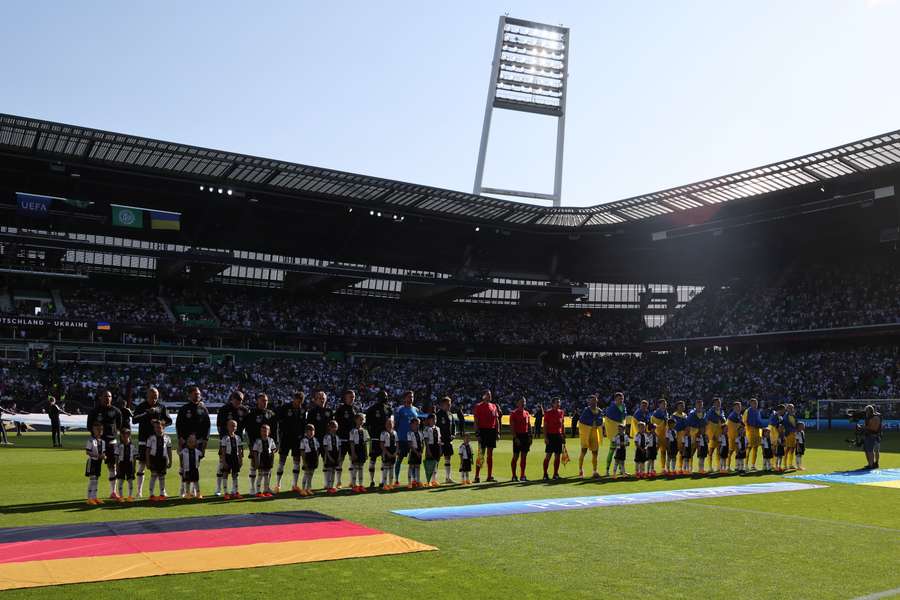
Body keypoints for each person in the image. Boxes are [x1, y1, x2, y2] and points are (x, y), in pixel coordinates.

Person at [132, 387, 172, 498]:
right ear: (147, 396)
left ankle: (162, 491)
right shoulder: (141, 406)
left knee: (159, 468)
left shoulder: (161, 407)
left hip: (158, 442)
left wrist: (160, 423)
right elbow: (134, 420)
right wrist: (146, 413)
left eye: (156, 397)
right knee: (142, 465)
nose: (154, 399)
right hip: (144, 440)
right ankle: (139, 491)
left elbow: (169, 421)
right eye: (152, 397)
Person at [87, 390, 123, 499]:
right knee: (95, 470)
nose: (107, 398)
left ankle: (113, 492)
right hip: (97, 444)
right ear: (100, 397)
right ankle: (92, 495)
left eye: (109, 396)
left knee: (112, 467)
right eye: (105, 396)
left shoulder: (116, 411)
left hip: (111, 443)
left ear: (111, 398)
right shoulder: (94, 411)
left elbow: (119, 426)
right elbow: (89, 427)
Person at [175, 386, 210, 497]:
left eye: (199, 394)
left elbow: (207, 426)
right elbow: (178, 425)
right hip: (186, 441)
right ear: (190, 395)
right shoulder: (184, 409)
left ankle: (195, 490)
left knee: (195, 466)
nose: (198, 395)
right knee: (184, 466)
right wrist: (180, 439)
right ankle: (183, 488)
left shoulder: (203, 408)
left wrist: (205, 440)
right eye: (195, 394)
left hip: (199, 442)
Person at [215, 391, 247, 496]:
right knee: (222, 464)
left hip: (238, 441)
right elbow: (219, 426)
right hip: (226, 441)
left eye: (241, 400)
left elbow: (246, 426)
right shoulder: (224, 409)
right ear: (232, 398)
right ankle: (218, 489)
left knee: (236, 466)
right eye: (237, 399)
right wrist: (224, 439)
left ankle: (234, 490)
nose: (239, 402)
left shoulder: (244, 410)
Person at [245, 393, 277, 496]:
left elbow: (275, 430)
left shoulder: (271, 414)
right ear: (257, 401)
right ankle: (252, 488)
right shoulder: (252, 414)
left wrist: (276, 443)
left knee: (268, 466)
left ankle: (266, 488)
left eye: (266, 400)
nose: (265, 402)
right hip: (256, 445)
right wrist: (250, 444)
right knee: (254, 466)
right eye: (262, 400)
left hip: (268, 444)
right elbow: (248, 431)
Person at [275, 391, 306, 494]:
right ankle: (278, 484)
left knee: (297, 461)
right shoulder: (285, 407)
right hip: (286, 438)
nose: (299, 404)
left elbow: (303, 424)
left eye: (301, 402)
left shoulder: (302, 409)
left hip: (297, 439)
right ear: (294, 399)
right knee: (282, 461)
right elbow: (278, 421)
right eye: (297, 401)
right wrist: (280, 436)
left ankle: (294, 485)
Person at [393, 391, 425, 483]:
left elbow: (419, 423)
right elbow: (396, 424)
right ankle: (396, 479)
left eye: (412, 397)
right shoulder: (400, 409)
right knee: (399, 459)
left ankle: (414, 480)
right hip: (403, 439)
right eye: (409, 396)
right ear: (404, 398)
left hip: (414, 440)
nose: (411, 398)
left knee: (414, 461)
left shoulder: (416, 410)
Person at [472, 390, 500, 483]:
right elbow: (476, 421)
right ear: (483, 396)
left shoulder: (494, 406)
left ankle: (489, 476)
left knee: (490, 455)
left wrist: (498, 432)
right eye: (488, 394)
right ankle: (477, 476)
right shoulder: (478, 406)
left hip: (491, 432)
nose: (490, 396)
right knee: (481, 455)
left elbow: (496, 420)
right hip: (482, 431)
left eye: (490, 394)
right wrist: (477, 433)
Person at [366, 391, 392, 488]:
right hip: (375, 438)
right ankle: (372, 481)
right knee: (372, 460)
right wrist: (372, 435)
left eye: (386, 396)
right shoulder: (372, 409)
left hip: (385, 438)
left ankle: (382, 481)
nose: (385, 398)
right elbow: (367, 424)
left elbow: (390, 423)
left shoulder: (389, 409)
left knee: (384, 460)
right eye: (383, 396)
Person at [334, 389, 358, 490]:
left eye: (353, 397)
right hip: (342, 438)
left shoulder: (355, 408)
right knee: (340, 460)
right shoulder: (340, 409)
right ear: (345, 397)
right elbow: (335, 424)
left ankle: (352, 482)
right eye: (350, 397)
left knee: (353, 460)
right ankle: (338, 482)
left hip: (352, 439)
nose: (352, 398)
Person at [577, 395, 603, 479]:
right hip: (586, 432)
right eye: (592, 401)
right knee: (583, 451)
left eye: (595, 401)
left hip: (594, 432)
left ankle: (595, 471)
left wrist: (595, 422)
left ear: (597, 401)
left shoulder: (599, 411)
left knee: (595, 452)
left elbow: (600, 420)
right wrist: (593, 422)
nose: (593, 402)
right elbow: (582, 420)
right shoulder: (586, 410)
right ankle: (580, 470)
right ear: (589, 402)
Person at [146, 419, 172, 501]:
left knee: (162, 476)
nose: (158, 429)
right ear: (154, 428)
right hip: (154, 458)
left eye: (159, 427)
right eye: (156, 427)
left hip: (163, 459)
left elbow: (169, 450)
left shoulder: (167, 438)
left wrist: (170, 461)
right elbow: (147, 451)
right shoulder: (151, 438)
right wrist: (148, 461)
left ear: (163, 427)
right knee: (153, 476)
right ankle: (151, 494)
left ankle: (162, 493)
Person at [603, 392, 628, 477]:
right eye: (619, 399)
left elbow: (623, 417)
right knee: (612, 451)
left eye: (622, 399)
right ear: (615, 399)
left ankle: (621, 470)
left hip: (621, 433)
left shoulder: (623, 406)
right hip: (614, 433)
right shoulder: (611, 408)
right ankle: (607, 470)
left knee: (621, 452)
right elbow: (608, 420)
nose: (621, 400)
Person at [509, 397, 532, 482]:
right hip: (518, 436)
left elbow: (529, 425)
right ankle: (514, 475)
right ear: (517, 403)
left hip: (525, 436)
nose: (523, 403)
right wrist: (515, 438)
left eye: (524, 401)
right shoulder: (513, 413)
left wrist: (530, 436)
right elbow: (512, 427)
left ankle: (522, 475)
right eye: (522, 401)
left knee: (524, 457)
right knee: (515, 456)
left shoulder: (526, 413)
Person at [542, 397, 565, 481]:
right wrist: (545, 437)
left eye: (559, 402)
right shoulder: (548, 413)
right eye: (557, 402)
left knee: (558, 456)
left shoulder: (561, 412)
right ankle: (545, 474)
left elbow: (562, 424)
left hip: (558, 436)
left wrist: (563, 435)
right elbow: (545, 426)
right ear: (553, 404)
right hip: (550, 436)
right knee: (548, 455)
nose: (558, 404)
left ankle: (555, 474)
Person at [219, 418, 243, 499]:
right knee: (225, 474)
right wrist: (224, 461)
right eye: (231, 426)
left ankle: (235, 491)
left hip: (235, 457)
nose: (233, 427)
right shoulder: (225, 438)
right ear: (227, 427)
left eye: (235, 426)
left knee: (235, 474)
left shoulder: (238, 438)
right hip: (228, 457)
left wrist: (240, 459)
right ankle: (226, 493)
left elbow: (240, 450)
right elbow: (223, 451)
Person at [435, 397, 457, 484]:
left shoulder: (451, 414)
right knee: (437, 459)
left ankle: (448, 478)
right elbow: (435, 428)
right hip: (440, 441)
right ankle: (434, 479)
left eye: (450, 404)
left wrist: (453, 435)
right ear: (442, 405)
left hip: (448, 440)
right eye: (448, 404)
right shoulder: (438, 415)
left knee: (448, 458)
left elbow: (454, 426)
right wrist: (437, 439)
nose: (449, 405)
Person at [252, 424, 276, 497]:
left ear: (269, 432)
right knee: (260, 475)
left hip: (268, 458)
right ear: (260, 432)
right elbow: (255, 451)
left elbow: (274, 448)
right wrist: (256, 461)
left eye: (266, 431)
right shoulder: (258, 441)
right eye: (263, 431)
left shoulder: (271, 440)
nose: (264, 432)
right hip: (261, 458)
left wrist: (272, 454)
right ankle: (258, 491)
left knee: (267, 475)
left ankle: (266, 491)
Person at [85, 422, 106, 505]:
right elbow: (88, 452)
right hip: (92, 462)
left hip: (99, 462)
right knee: (92, 480)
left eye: (101, 429)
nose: (99, 431)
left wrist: (104, 456)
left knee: (96, 480)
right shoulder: (91, 440)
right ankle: (89, 498)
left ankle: (94, 497)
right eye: (97, 429)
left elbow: (103, 452)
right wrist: (98, 455)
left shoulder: (103, 442)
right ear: (93, 430)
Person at [115, 428, 138, 501]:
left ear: (129, 435)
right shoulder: (119, 445)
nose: (125, 437)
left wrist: (134, 467)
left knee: (130, 481)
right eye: (123, 435)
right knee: (121, 481)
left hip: (130, 464)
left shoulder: (133, 446)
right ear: (121, 436)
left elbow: (134, 458)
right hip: (121, 464)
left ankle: (130, 496)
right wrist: (117, 467)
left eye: (126, 435)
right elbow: (116, 457)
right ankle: (121, 497)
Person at [349, 413, 370, 493]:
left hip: (362, 450)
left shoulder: (365, 431)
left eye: (363, 420)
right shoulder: (353, 431)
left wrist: (366, 453)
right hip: (356, 449)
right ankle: (354, 485)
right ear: (356, 420)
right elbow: (352, 443)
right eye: (360, 419)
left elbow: (366, 443)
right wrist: (353, 453)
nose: (362, 421)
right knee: (355, 468)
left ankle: (361, 485)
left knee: (361, 468)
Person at [743, 398, 764, 471]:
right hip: (750, 432)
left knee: (755, 448)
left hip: (757, 432)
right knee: (749, 448)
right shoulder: (748, 411)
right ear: (751, 403)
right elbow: (745, 421)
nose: (755, 404)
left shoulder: (757, 411)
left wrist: (760, 425)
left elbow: (759, 420)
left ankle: (753, 465)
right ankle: (745, 465)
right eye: (754, 403)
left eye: (756, 403)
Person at [181, 433, 204, 499]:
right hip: (187, 469)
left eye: (192, 442)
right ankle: (187, 494)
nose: (191, 443)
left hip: (195, 469)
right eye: (189, 442)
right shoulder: (184, 451)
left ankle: (198, 493)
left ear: (195, 443)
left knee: (196, 481)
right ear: (187, 443)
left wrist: (201, 445)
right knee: (187, 482)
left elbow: (201, 454)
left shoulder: (197, 451)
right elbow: (179, 453)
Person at [704, 398, 724, 472]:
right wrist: (707, 433)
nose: (718, 404)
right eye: (717, 402)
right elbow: (705, 420)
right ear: (714, 404)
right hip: (711, 433)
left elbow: (723, 420)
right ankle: (710, 467)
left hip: (719, 433)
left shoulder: (721, 411)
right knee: (711, 451)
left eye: (719, 402)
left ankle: (718, 466)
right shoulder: (710, 411)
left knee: (719, 451)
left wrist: (722, 419)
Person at [299, 424, 320, 496]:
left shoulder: (315, 439)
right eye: (309, 430)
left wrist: (317, 458)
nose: (311, 432)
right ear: (306, 431)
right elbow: (302, 452)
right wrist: (304, 461)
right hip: (307, 457)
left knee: (311, 474)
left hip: (314, 457)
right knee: (306, 473)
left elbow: (317, 450)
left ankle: (308, 488)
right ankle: (303, 489)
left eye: (313, 430)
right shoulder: (303, 440)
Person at [422, 413, 442, 487]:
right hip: (430, 447)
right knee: (429, 465)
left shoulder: (438, 428)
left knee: (436, 465)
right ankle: (428, 481)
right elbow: (426, 441)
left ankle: (434, 480)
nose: (434, 420)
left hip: (436, 447)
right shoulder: (426, 429)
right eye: (432, 419)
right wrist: (428, 450)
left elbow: (439, 440)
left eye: (435, 419)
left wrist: (440, 449)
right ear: (429, 420)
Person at [322, 419, 341, 494]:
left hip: (336, 454)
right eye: (333, 427)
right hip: (329, 454)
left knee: (334, 471)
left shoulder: (337, 437)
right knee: (329, 471)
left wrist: (339, 456)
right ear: (329, 427)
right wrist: (329, 457)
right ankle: (328, 486)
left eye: (336, 427)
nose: (334, 428)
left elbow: (339, 447)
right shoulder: (326, 437)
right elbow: (325, 448)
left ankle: (332, 486)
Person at [380, 418, 399, 489]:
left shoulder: (395, 433)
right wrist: (387, 453)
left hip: (393, 451)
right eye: (388, 423)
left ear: (393, 424)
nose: (390, 425)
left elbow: (397, 443)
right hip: (386, 452)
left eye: (391, 423)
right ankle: (385, 485)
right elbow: (382, 444)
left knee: (392, 468)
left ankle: (390, 484)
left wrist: (396, 452)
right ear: (385, 425)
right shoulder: (383, 433)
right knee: (386, 468)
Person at [651, 399, 669, 473]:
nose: (664, 405)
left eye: (665, 404)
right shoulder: (656, 413)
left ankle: (663, 468)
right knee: (654, 452)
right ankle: (651, 468)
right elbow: (654, 424)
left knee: (663, 452)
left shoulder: (666, 412)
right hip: (657, 435)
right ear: (659, 405)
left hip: (664, 435)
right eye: (663, 404)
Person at [406, 417, 425, 488]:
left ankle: (417, 481)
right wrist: (416, 452)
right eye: (416, 424)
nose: (417, 425)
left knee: (418, 466)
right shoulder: (409, 433)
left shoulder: (420, 433)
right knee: (411, 466)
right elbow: (410, 444)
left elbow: (422, 443)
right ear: (411, 425)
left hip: (419, 451)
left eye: (418, 424)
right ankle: (409, 482)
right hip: (413, 451)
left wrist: (421, 451)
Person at [670, 401, 688, 473]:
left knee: (682, 452)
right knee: (674, 453)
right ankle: (672, 469)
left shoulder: (685, 415)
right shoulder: (674, 416)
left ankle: (681, 468)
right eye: (680, 406)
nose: (682, 407)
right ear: (677, 407)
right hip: (676, 435)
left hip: (683, 435)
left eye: (683, 406)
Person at [863, 404, 882, 469]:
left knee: (870, 450)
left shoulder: (874, 417)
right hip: (876, 435)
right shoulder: (878, 416)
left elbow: (873, 428)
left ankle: (872, 464)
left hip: (873, 435)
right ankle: (873, 463)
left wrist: (864, 427)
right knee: (873, 450)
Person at [725, 401, 743, 470]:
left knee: (737, 452)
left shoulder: (738, 415)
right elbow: (739, 423)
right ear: (734, 408)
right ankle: (727, 466)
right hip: (732, 437)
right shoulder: (732, 415)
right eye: (737, 407)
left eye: (739, 407)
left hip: (737, 437)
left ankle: (737, 466)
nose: (738, 408)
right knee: (730, 451)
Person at [783, 403, 798, 470]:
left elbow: (796, 424)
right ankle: (785, 465)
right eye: (790, 408)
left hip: (794, 435)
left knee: (792, 449)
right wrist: (793, 430)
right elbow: (786, 426)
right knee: (787, 450)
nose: (791, 409)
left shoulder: (794, 416)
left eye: (792, 408)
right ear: (787, 409)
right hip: (788, 435)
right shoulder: (785, 416)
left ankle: (790, 464)